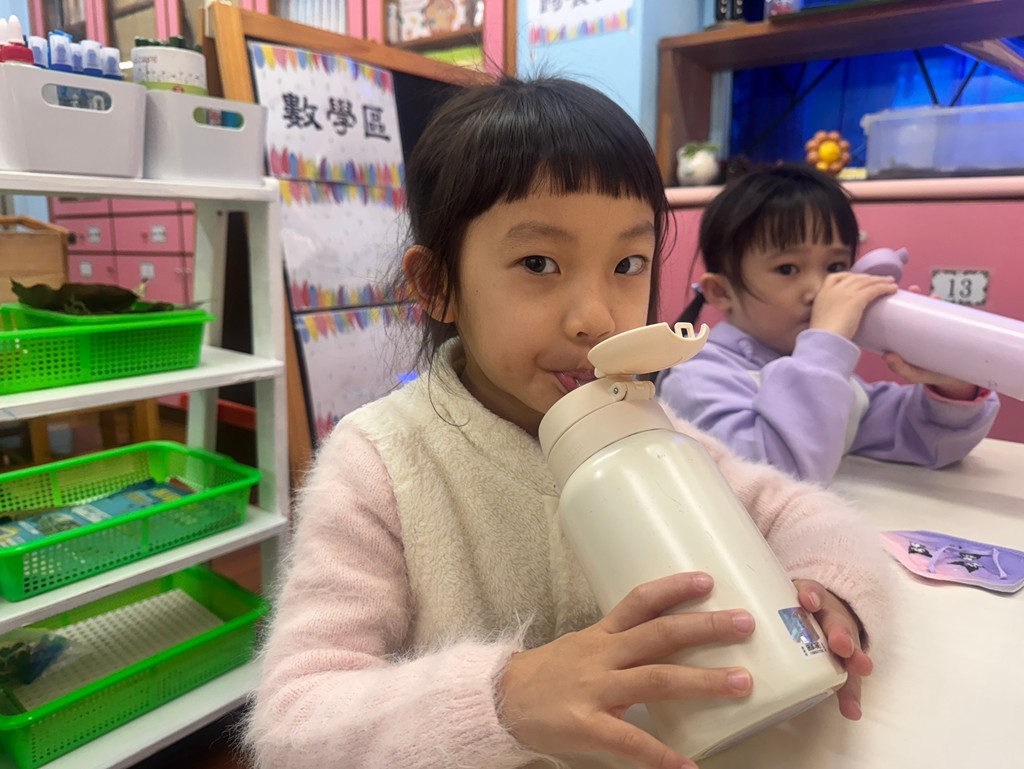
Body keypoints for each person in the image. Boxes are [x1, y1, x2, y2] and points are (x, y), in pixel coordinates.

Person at [243, 79, 890, 769]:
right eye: (539, 264)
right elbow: (291, 724)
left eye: (628, 264)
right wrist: (504, 700)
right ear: (437, 285)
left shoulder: (648, 429)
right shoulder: (380, 461)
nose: (597, 318)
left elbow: (807, 513)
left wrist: (828, 592)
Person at [656, 164, 998, 485]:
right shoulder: (696, 379)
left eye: (835, 267)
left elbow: (924, 440)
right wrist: (826, 341)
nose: (820, 289)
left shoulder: (827, 376)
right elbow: (776, 479)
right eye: (788, 269)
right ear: (722, 292)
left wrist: (951, 386)